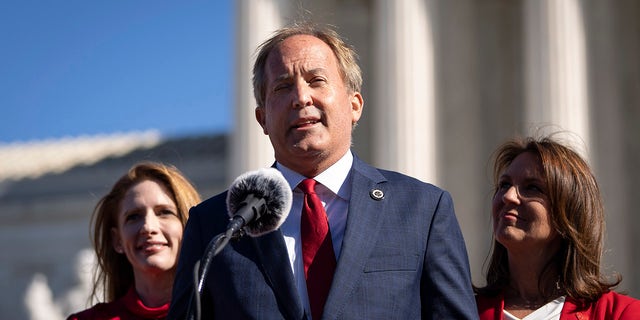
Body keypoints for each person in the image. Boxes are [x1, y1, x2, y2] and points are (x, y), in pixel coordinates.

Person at [168, 22, 477, 319]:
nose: (301, 98)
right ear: (262, 118)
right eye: (283, 86)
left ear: (354, 105)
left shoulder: (422, 210)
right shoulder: (213, 227)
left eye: (316, 80)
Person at [475, 136, 640, 319]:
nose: (508, 196)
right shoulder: (463, 311)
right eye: (504, 184)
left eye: (532, 188)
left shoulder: (620, 314)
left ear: (568, 212)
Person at [67, 162, 201, 320]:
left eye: (165, 212)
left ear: (189, 226)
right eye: (134, 216)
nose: (148, 227)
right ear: (117, 240)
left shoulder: (224, 311)